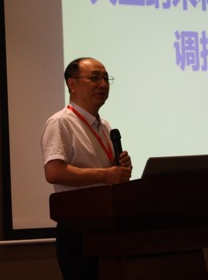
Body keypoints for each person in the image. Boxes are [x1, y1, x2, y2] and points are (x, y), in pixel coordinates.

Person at [40, 57, 133, 280]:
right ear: (72, 84)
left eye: (106, 79)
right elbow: (54, 172)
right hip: (78, 228)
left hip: (107, 226)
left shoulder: (105, 125)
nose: (103, 84)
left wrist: (119, 169)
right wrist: (106, 175)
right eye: (94, 78)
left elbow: (104, 174)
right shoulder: (60, 123)